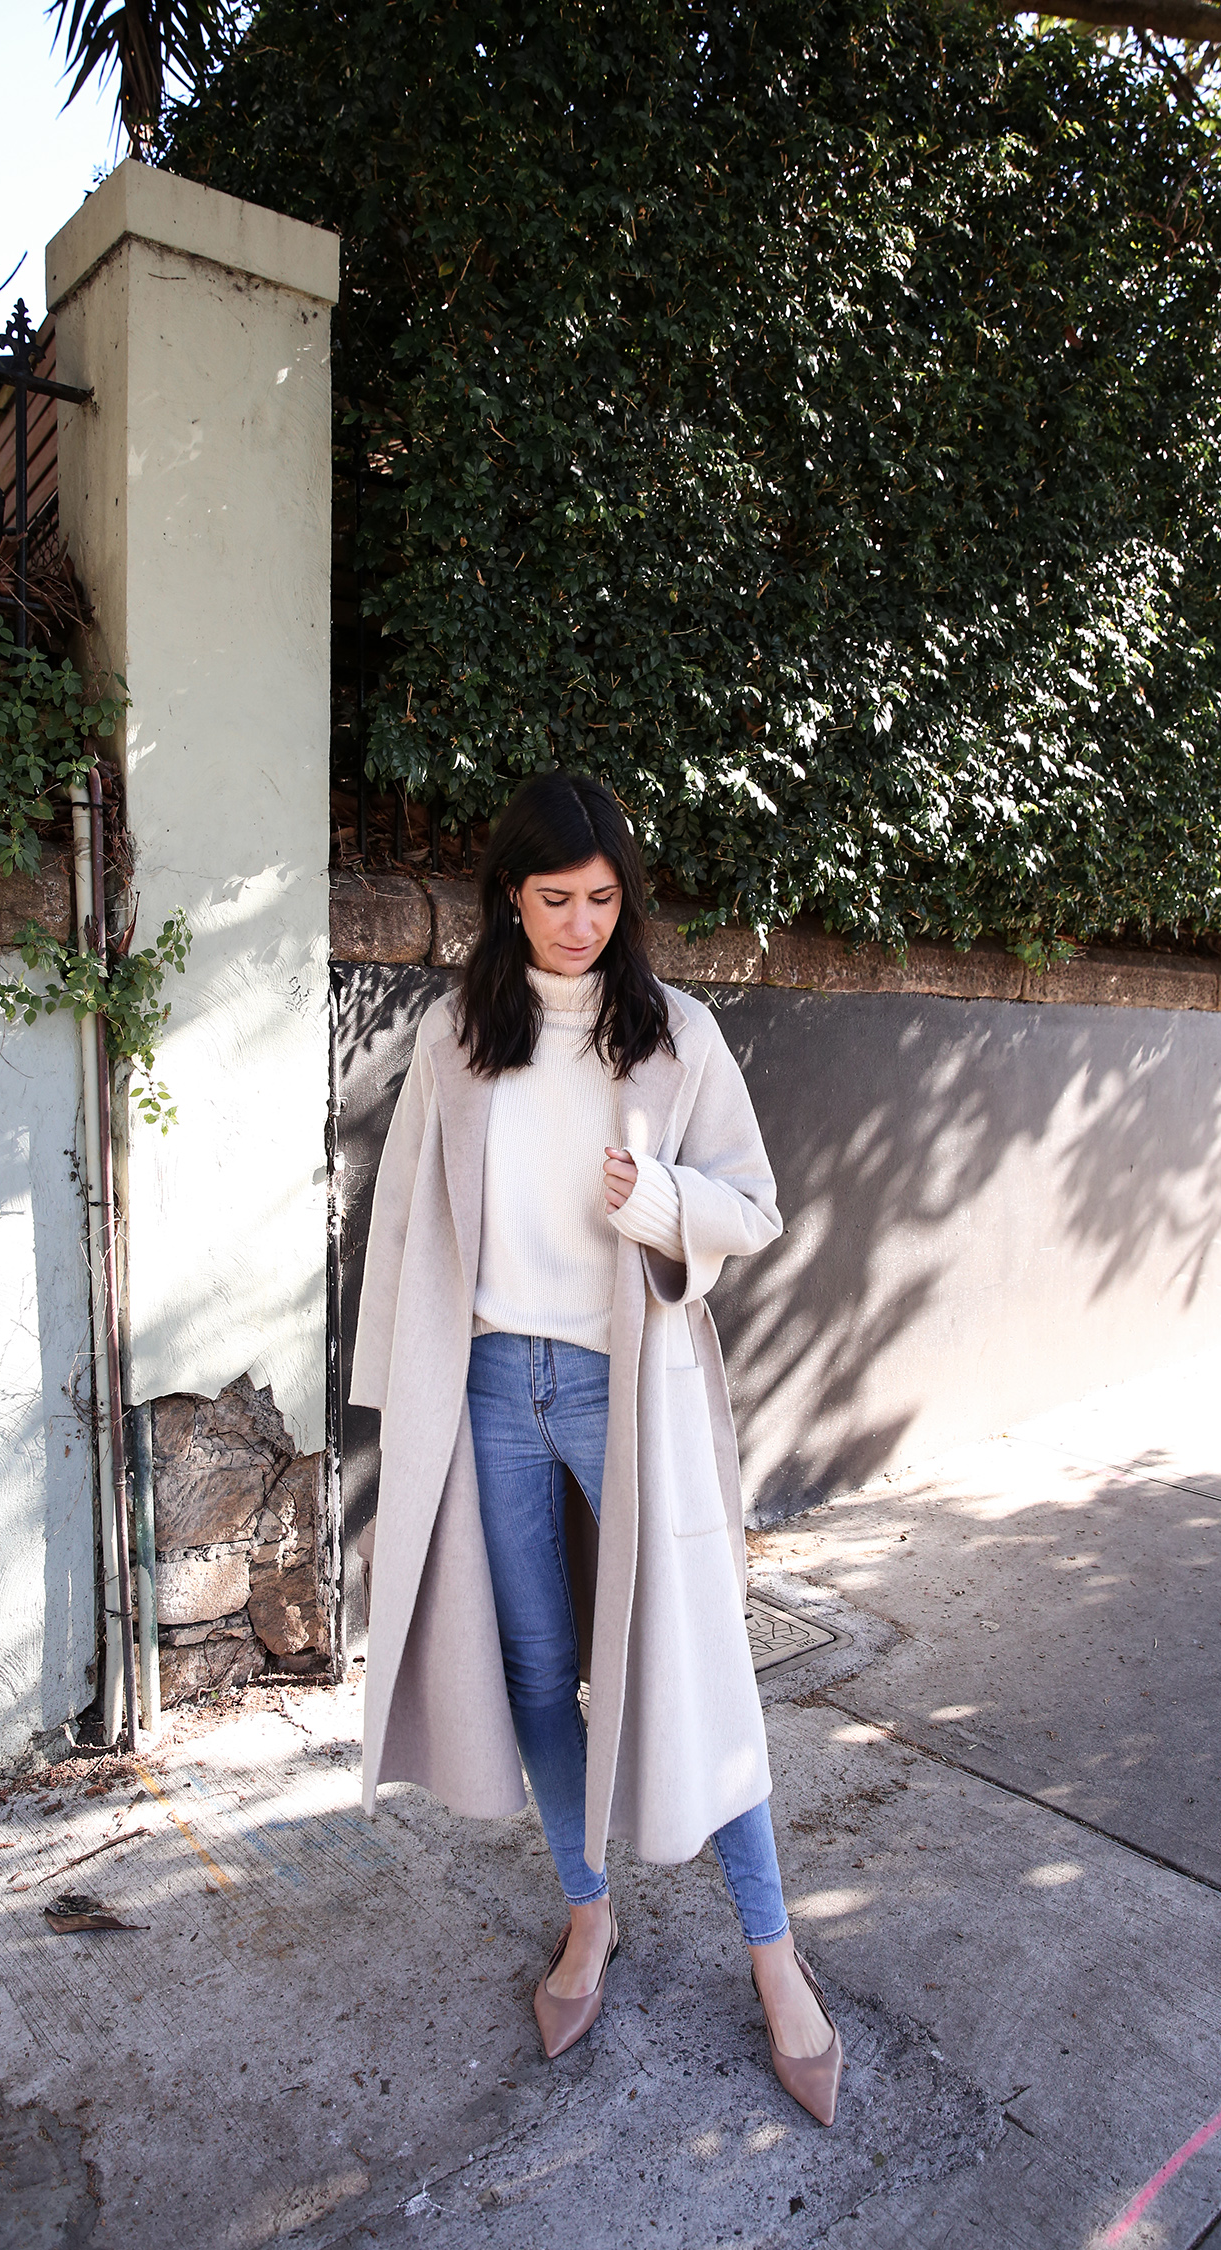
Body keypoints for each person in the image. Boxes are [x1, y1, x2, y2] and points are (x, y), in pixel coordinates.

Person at [349, 770, 842, 2126]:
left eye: (603, 898)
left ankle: (776, 1958)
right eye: (555, 898)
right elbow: (408, 1222)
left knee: (693, 1668)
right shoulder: (460, 1038)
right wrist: (401, 1396)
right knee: (531, 1671)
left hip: (632, 1388)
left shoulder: (676, 1034)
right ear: (509, 897)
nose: (579, 923)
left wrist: (663, 1198)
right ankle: (588, 1916)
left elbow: (757, 1207)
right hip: (498, 1385)